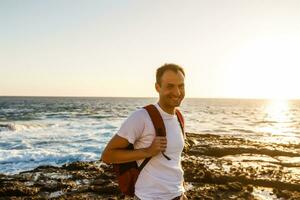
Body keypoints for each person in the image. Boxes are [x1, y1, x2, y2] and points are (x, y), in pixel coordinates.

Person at [101, 64, 187, 200]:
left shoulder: (179, 117)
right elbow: (107, 155)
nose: (177, 92)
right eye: (170, 86)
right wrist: (147, 151)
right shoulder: (141, 117)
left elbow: (174, 161)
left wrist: (182, 191)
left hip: (177, 195)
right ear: (157, 87)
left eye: (181, 86)